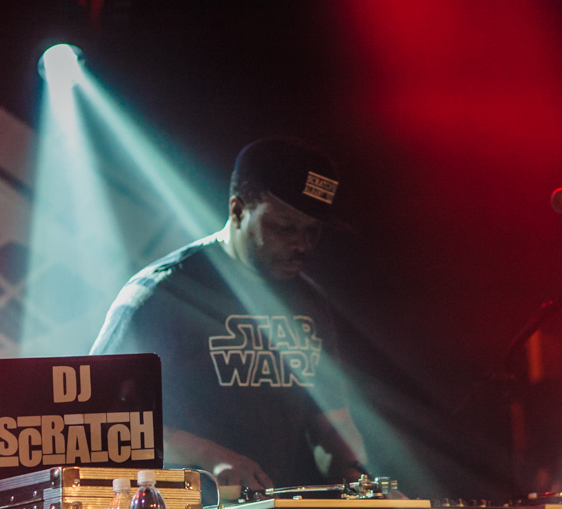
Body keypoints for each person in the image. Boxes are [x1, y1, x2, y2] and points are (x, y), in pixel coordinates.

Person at [91, 137, 367, 490]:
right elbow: (97, 419)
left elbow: (329, 425)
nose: (302, 245)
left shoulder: (309, 302)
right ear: (237, 210)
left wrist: (361, 479)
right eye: (285, 227)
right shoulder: (165, 291)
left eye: (312, 231)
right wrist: (206, 453)